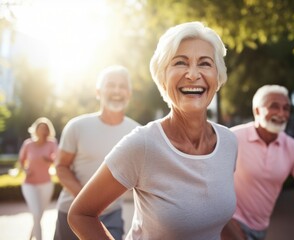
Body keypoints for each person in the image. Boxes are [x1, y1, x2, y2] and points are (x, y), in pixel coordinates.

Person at [68, 21, 238, 240]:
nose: (193, 74)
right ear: (162, 78)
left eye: (205, 63)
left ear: (218, 78)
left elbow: (215, 214)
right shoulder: (143, 144)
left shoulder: (229, 142)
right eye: (180, 62)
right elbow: (81, 214)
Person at [221, 84, 294, 240]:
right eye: (274, 106)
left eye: (286, 108)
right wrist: (226, 222)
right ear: (257, 111)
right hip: (228, 224)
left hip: (261, 229)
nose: (281, 113)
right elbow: (206, 181)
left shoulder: (293, 148)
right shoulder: (232, 138)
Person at [53, 65, 140, 240]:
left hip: (112, 215)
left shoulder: (138, 132)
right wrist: (87, 201)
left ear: (129, 93)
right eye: (111, 85)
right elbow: (61, 167)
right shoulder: (77, 127)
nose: (117, 90)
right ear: (98, 92)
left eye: (122, 86)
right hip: (71, 212)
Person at [18, 117, 58, 240]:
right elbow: (21, 161)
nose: (43, 131)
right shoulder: (28, 144)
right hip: (29, 184)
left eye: (45, 129)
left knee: (38, 215)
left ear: (48, 130)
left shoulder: (52, 143)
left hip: (46, 184)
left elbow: (58, 160)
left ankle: (30, 236)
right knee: (36, 213)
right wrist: (25, 170)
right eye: (41, 128)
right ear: (36, 130)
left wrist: (48, 160)